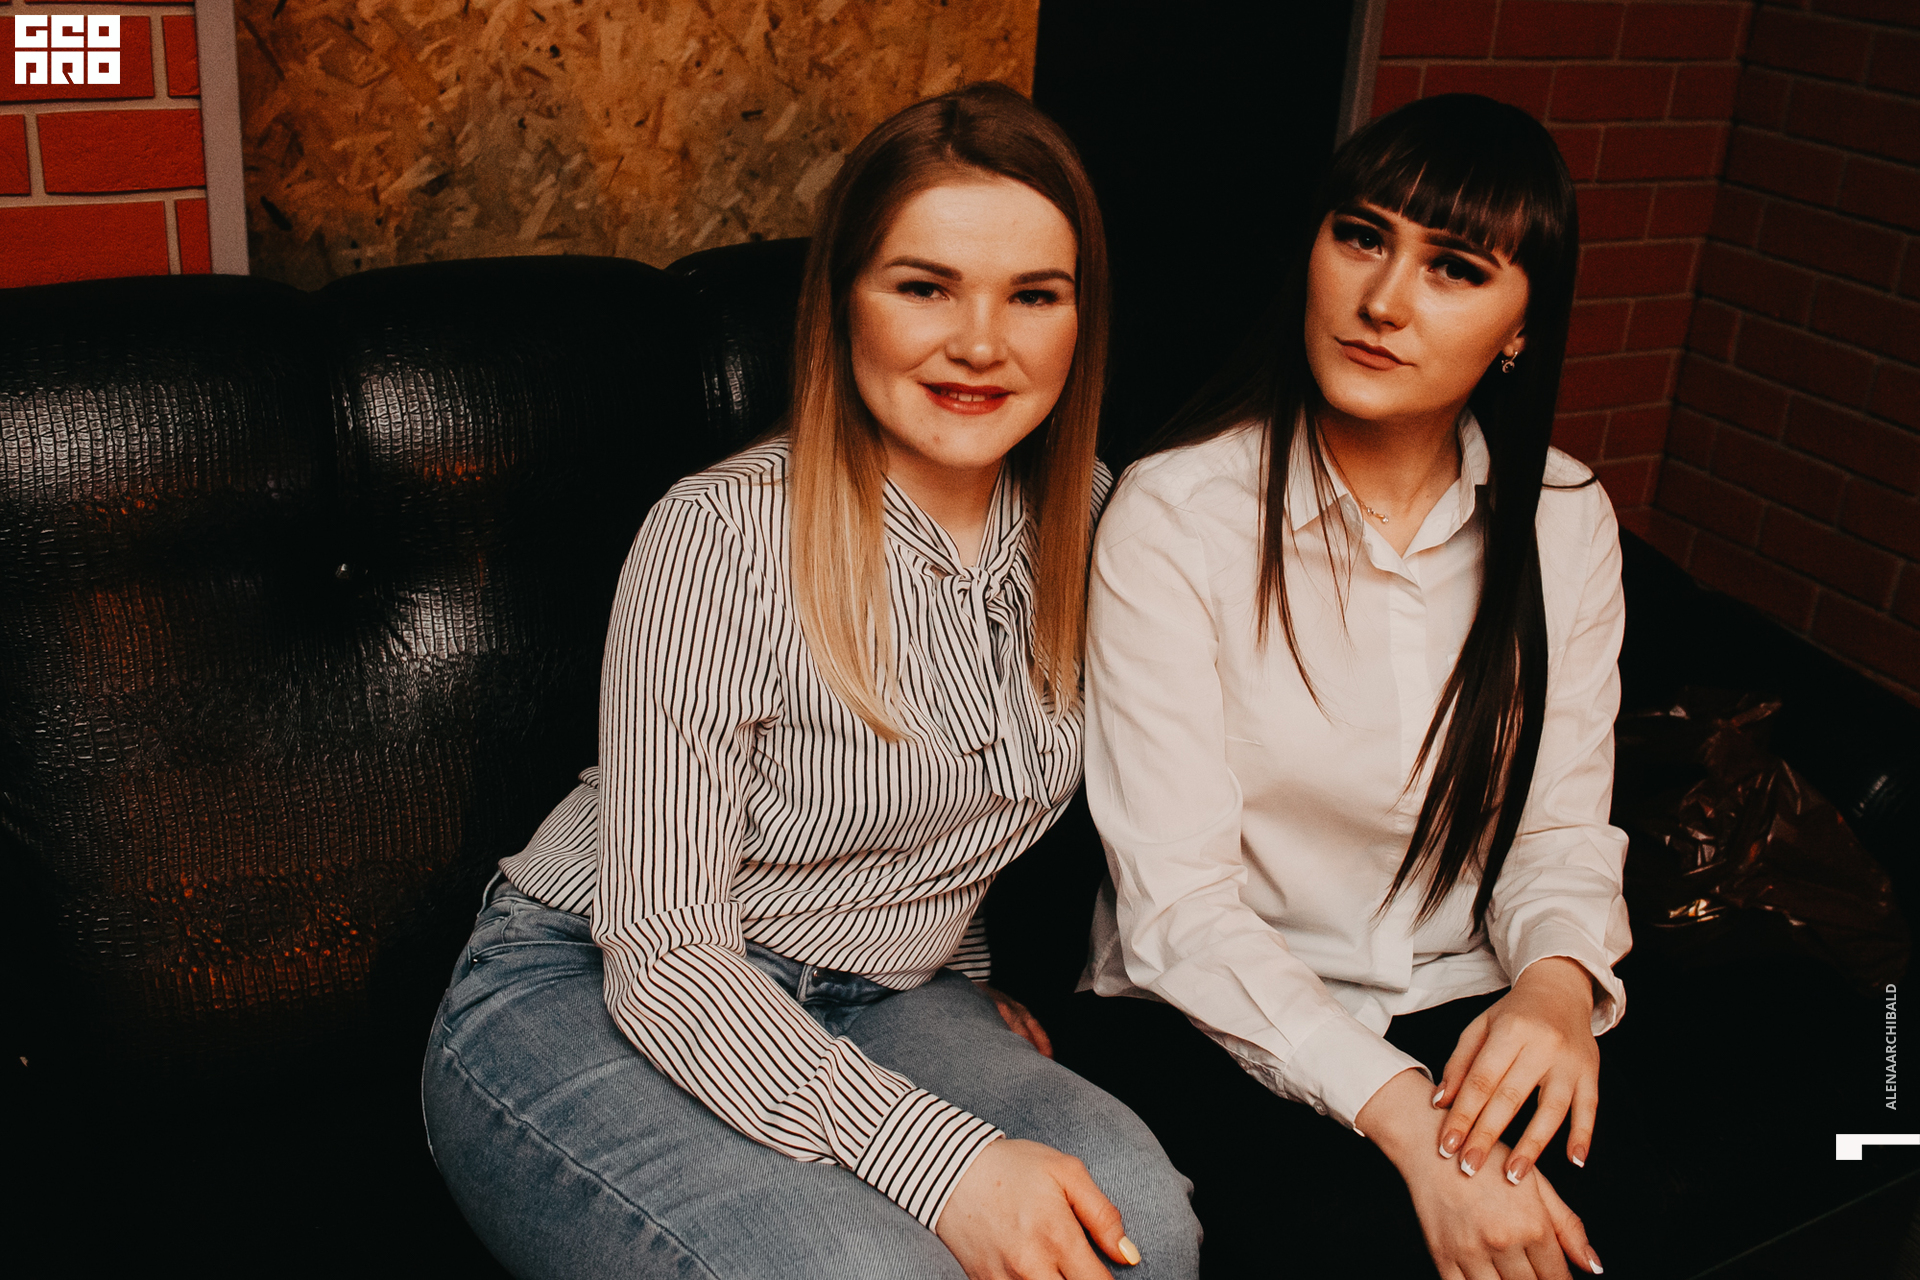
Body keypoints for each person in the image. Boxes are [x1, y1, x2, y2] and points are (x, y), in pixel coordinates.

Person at [420, 81, 1199, 1280]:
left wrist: (960, 976)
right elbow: (667, 950)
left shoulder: (1099, 519)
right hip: (598, 978)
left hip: (884, 991)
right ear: (843, 299)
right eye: (925, 285)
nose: (980, 342)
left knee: (1144, 1220)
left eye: (1033, 294)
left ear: (1078, 319)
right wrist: (939, 1157)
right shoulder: (720, 536)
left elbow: (961, 791)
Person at [1062, 94, 1644, 1279]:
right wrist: (1415, 1128)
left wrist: (1555, 986)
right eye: (1362, 236)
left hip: (1465, 989)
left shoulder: (1566, 519)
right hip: (1214, 1015)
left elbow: (1559, 827)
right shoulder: (1176, 515)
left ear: (1522, 324)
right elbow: (1180, 909)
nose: (1383, 299)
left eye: (1455, 268)